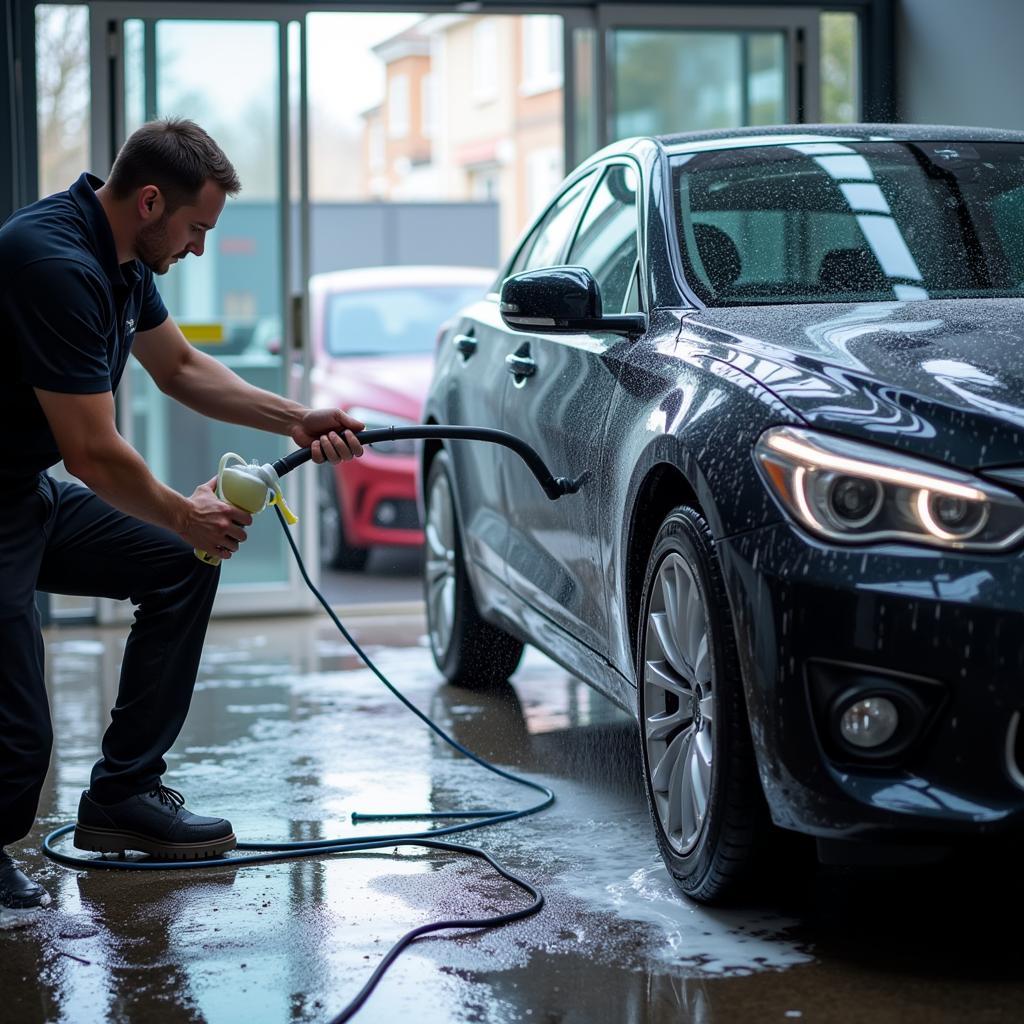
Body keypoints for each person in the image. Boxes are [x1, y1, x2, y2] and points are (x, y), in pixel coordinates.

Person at [0, 118, 365, 922]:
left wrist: (296, 418)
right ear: (152, 200)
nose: (199, 248)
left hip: (20, 494)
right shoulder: (52, 262)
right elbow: (93, 453)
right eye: (197, 228)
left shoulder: (122, 256)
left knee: (175, 560)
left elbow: (180, 367)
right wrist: (183, 512)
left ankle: (124, 796)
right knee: (17, 745)